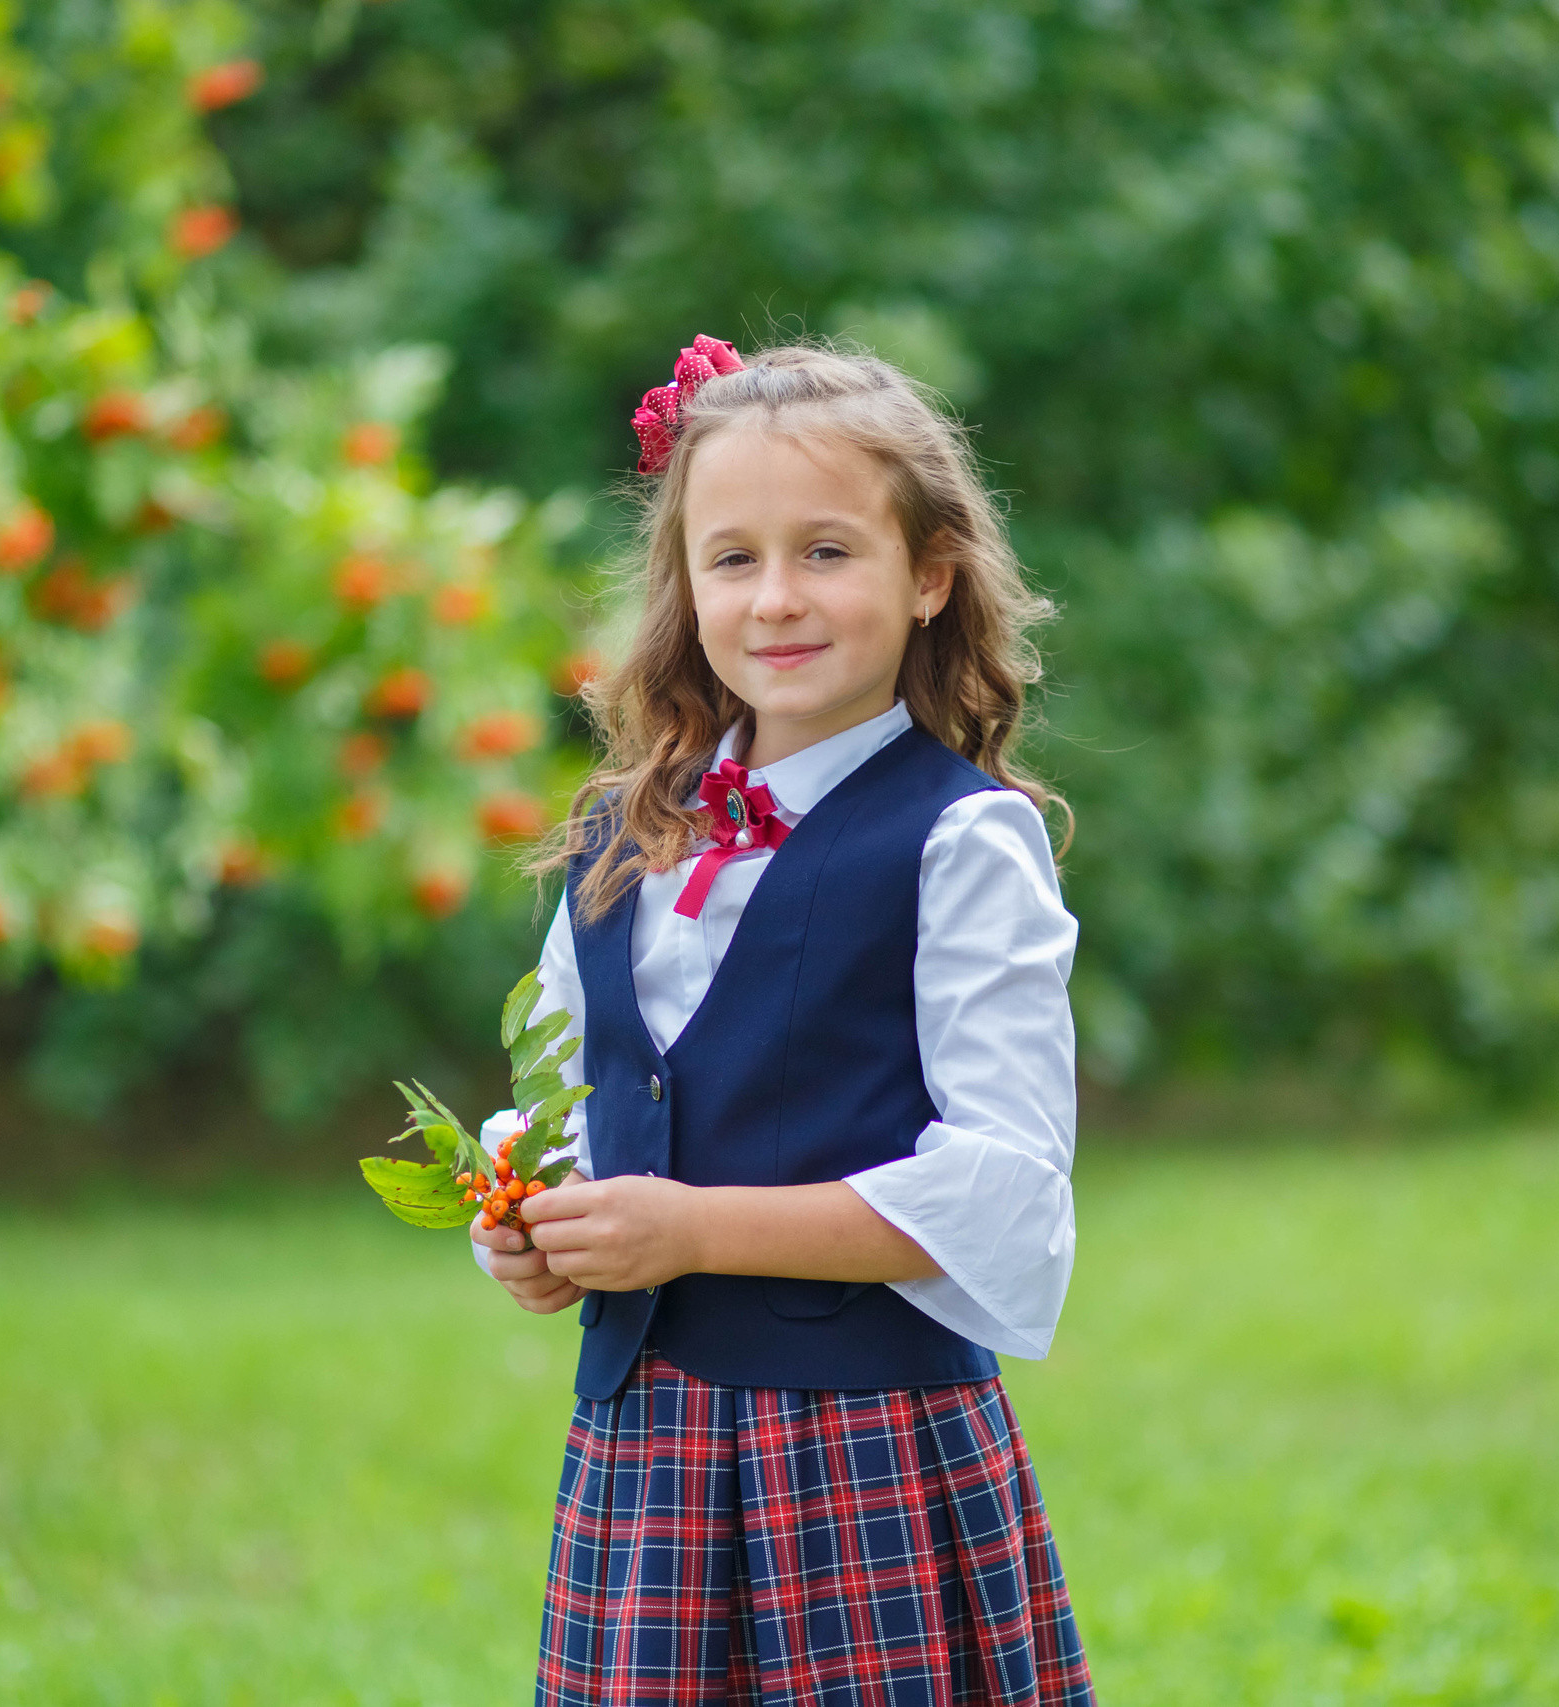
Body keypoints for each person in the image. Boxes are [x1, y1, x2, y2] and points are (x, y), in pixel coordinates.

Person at [474, 335, 1093, 1705]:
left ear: (930, 575)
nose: (775, 599)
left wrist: (692, 1230)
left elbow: (1001, 1194)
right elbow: (571, 1109)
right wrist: (534, 1223)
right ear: (685, 587)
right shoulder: (617, 837)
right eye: (733, 558)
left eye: (826, 551)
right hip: (648, 1466)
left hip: (864, 1461)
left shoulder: (961, 843)